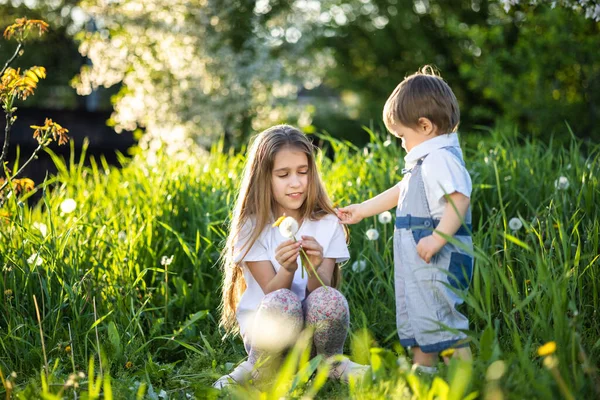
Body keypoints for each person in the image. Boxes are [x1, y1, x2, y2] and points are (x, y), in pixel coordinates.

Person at [337, 66, 474, 373]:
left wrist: (440, 237)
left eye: (402, 136)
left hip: (438, 257)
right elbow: (402, 191)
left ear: (424, 126)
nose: (401, 143)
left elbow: (459, 199)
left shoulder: (440, 158)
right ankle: (423, 372)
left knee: (441, 317)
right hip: (418, 259)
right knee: (419, 315)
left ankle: (465, 378)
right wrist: (362, 209)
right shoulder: (425, 161)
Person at [213, 124, 369, 389]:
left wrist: (314, 267)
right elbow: (271, 293)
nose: (295, 182)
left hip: (312, 339)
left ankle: (330, 362)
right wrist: (286, 268)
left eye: (302, 172)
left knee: (329, 298)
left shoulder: (327, 223)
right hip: (269, 335)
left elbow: (321, 291)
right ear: (264, 178)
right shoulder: (252, 227)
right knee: (282, 299)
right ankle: (259, 367)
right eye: (283, 175)